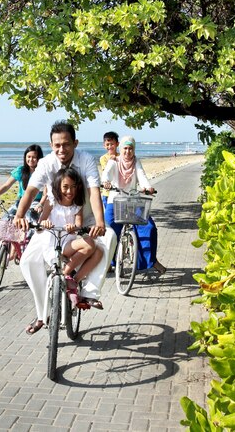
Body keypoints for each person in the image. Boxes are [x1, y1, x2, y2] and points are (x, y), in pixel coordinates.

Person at [13, 120, 115, 335]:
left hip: (83, 221)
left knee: (109, 238)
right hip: (54, 224)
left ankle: (88, 292)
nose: (62, 150)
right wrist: (19, 215)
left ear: (75, 143)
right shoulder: (46, 163)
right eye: (57, 145)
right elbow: (31, 190)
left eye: (66, 144)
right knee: (28, 261)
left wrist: (100, 222)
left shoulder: (86, 159)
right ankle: (42, 315)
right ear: (51, 145)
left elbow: (94, 191)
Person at [37, 168, 103, 310]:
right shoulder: (51, 202)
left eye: (73, 187)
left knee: (99, 252)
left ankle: (73, 280)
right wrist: (45, 223)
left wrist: (74, 227)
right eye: (65, 187)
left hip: (69, 243)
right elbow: (41, 222)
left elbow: (79, 223)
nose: (69, 191)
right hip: (55, 245)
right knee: (89, 244)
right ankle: (66, 274)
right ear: (58, 187)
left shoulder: (77, 205)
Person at [101, 135, 167, 274]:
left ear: (134, 150)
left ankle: (151, 261)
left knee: (149, 227)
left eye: (130, 148)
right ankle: (108, 262)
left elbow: (142, 176)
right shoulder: (114, 161)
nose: (127, 151)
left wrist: (147, 187)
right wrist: (106, 182)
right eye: (125, 148)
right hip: (115, 201)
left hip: (132, 201)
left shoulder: (136, 162)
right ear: (121, 148)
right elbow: (106, 175)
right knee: (109, 231)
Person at [0, 144, 46, 224]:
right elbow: (6, 185)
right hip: (20, 201)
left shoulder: (43, 172)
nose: (31, 159)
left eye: (34, 157)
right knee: (5, 220)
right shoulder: (20, 170)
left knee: (30, 220)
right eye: (28, 157)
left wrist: (41, 204)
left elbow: (46, 192)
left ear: (39, 158)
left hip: (36, 202)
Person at [99, 131, 120, 208]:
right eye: (107, 144)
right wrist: (111, 161)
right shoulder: (103, 158)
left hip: (118, 191)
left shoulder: (120, 156)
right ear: (104, 145)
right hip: (107, 192)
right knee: (109, 214)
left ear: (117, 144)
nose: (110, 146)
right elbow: (106, 171)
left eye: (112, 144)